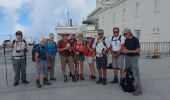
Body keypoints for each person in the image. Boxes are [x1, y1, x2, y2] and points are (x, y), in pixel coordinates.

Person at [122, 28, 142, 95]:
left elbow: (138, 50)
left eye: (126, 34)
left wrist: (128, 51)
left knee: (135, 73)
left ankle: (139, 90)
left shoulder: (135, 39)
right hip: (127, 57)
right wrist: (124, 50)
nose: (125, 35)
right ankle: (129, 85)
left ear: (129, 32)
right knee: (127, 71)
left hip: (134, 58)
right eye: (124, 34)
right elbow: (125, 48)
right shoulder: (126, 40)